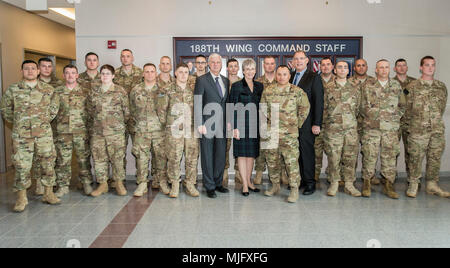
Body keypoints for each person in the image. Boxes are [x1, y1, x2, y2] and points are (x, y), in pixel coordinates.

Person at [0, 60, 60, 212]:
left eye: (33, 68)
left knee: (48, 163)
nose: (30, 71)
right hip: (22, 136)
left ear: (38, 71)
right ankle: (21, 197)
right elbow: (6, 110)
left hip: (43, 134)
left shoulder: (48, 89)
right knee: (21, 166)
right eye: (26, 69)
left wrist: (44, 121)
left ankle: (48, 193)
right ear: (21, 71)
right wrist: (20, 123)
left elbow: (54, 108)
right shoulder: (13, 89)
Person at [261, 65, 310, 203]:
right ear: (276, 76)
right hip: (272, 133)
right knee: (272, 161)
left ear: (289, 76)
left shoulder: (297, 92)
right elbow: (263, 108)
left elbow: (305, 108)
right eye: (279, 74)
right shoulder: (268, 91)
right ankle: (275, 185)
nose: (282, 77)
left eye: (284, 74)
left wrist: (296, 124)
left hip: (289, 135)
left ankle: (294, 189)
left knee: (291, 162)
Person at [405, 56, 450, 198]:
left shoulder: (441, 87)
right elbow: (405, 108)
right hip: (418, 130)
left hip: (436, 130)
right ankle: (413, 184)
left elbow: (441, 107)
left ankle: (432, 184)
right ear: (421, 67)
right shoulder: (411, 87)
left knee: (435, 157)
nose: (430, 68)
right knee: (415, 158)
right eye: (427, 65)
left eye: (433, 65)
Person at [360, 59, 404, 199]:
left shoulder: (396, 85)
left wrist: (394, 118)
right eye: (381, 67)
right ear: (376, 70)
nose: (384, 70)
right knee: (369, 155)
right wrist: (372, 117)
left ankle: (388, 185)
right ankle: (367, 183)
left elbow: (402, 105)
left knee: (389, 157)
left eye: (386, 67)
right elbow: (361, 106)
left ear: (389, 69)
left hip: (390, 129)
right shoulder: (368, 85)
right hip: (371, 128)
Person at [88, 64, 130, 197]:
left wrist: (117, 125)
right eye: (102, 73)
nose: (104, 76)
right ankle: (103, 184)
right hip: (98, 132)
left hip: (115, 133)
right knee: (99, 159)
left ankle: (118, 183)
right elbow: (89, 111)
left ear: (113, 76)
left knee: (117, 158)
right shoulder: (93, 92)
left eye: (107, 73)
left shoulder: (120, 91)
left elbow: (126, 112)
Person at [53, 65, 94, 198]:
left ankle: (86, 182)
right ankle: (63, 186)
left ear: (77, 75)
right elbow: (52, 112)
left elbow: (91, 111)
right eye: (67, 73)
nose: (70, 75)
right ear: (63, 75)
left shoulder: (85, 91)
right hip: (63, 131)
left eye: (73, 73)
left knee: (83, 159)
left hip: (81, 131)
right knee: (63, 160)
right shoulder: (57, 92)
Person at [130, 63, 169, 197]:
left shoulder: (163, 90)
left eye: (152, 71)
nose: (150, 74)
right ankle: (142, 183)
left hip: (159, 130)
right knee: (142, 158)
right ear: (143, 73)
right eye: (147, 71)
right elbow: (132, 109)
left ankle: (162, 181)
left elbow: (167, 110)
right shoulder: (136, 90)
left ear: (156, 73)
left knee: (161, 158)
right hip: (142, 130)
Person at [194, 53, 230, 198]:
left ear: (221, 64)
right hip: (207, 125)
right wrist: (200, 123)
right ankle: (209, 186)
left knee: (221, 155)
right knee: (208, 156)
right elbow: (197, 102)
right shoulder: (202, 80)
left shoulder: (226, 81)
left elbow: (226, 103)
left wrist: (229, 122)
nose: (216, 64)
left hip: (222, 126)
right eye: (213, 62)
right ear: (209, 64)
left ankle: (218, 183)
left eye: (218, 62)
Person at [323, 61, 361, 197]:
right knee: (334, 158)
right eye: (340, 67)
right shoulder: (329, 87)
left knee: (350, 158)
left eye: (345, 67)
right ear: (335, 70)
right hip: (333, 130)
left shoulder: (355, 87)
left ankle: (349, 184)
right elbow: (325, 109)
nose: (342, 69)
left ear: (349, 70)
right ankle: (334, 182)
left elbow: (358, 108)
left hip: (350, 129)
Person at [289, 50, 324, 195]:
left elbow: (318, 101)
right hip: (291, 124)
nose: (299, 61)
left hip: (307, 123)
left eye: (301, 59)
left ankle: (310, 183)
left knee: (307, 153)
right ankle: (302, 180)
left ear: (307, 60)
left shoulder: (313, 77)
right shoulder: (290, 77)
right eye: (296, 59)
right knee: (296, 153)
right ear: (292, 61)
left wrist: (317, 123)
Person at [163, 63, 200, 198]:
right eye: (181, 72)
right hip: (174, 131)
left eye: (186, 72)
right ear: (175, 73)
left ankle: (190, 183)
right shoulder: (167, 90)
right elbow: (162, 111)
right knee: (174, 158)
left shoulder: (193, 89)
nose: (184, 74)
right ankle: (175, 184)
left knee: (192, 158)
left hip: (190, 130)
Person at [228, 59, 263, 196]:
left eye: (252, 69)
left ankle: (249, 181)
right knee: (242, 155)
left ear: (255, 70)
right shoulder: (236, 86)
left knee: (251, 155)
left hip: (255, 125)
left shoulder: (260, 86)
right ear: (243, 71)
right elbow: (231, 106)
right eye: (247, 69)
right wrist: (234, 127)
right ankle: (244, 185)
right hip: (240, 125)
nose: (249, 71)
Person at [31, 57, 64, 196]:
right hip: (37, 128)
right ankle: (39, 182)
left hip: (56, 126)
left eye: (49, 66)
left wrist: (47, 119)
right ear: (38, 69)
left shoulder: (58, 84)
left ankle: (52, 183)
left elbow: (57, 106)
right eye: (43, 66)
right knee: (38, 157)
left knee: (53, 155)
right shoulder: (32, 84)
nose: (46, 69)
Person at [113, 49, 143, 180]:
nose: (125, 59)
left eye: (128, 56)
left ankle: (141, 177)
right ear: (120, 58)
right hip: (119, 118)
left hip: (137, 118)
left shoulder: (141, 73)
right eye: (123, 56)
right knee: (119, 151)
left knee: (139, 150)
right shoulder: (114, 74)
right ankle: (119, 179)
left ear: (132, 58)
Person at [254, 56, 283, 186]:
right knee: (262, 149)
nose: (269, 66)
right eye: (267, 64)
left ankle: (281, 174)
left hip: (280, 121)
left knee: (279, 148)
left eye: (272, 64)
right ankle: (259, 173)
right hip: (262, 120)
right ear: (263, 65)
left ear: (275, 65)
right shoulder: (258, 82)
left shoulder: (281, 81)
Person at [393, 59, 416, 180]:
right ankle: (390, 177)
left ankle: (412, 178)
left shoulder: (415, 83)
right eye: (399, 66)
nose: (401, 68)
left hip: (410, 122)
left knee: (411, 151)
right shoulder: (390, 83)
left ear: (407, 68)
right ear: (394, 68)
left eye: (403, 66)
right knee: (392, 151)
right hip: (394, 122)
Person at [315, 57, 335, 186]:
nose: (326, 67)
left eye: (328, 64)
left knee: (334, 153)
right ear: (319, 67)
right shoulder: (315, 80)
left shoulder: (340, 81)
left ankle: (333, 178)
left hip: (334, 125)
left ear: (332, 66)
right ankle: (315, 176)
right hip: (318, 123)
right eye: (323, 65)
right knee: (316, 152)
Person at [223, 58, 242, 187]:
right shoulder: (223, 82)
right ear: (227, 68)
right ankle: (224, 171)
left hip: (240, 119)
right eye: (231, 66)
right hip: (225, 118)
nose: (233, 68)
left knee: (239, 146)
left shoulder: (244, 82)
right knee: (225, 146)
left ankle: (238, 172)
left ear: (238, 68)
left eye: (236, 66)